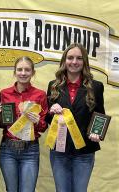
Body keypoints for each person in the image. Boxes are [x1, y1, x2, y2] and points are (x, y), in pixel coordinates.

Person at [46, 43, 105, 192]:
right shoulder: (53, 86)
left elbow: (100, 115)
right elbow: (47, 120)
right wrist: (51, 111)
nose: (74, 62)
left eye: (79, 58)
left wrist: (97, 132)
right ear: (64, 61)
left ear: (84, 61)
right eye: (70, 58)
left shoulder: (96, 86)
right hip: (59, 151)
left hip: (85, 151)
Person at [0, 56, 48, 192]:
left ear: (33, 72)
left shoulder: (40, 95)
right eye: (19, 69)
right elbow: (3, 124)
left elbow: (44, 126)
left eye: (27, 70)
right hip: (8, 149)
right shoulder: (4, 93)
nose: (23, 73)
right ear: (14, 72)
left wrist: (37, 121)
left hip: (30, 150)